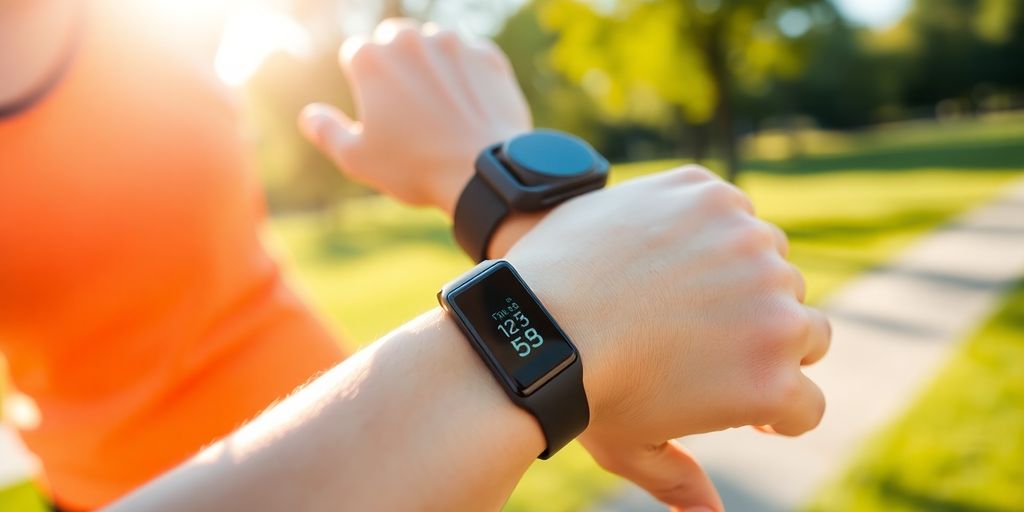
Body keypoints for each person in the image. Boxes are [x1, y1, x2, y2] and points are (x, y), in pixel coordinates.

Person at [1, 1, 828, 509]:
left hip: (370, 421)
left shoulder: (148, 21)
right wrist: (569, 307)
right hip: (128, 478)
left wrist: (500, 200)